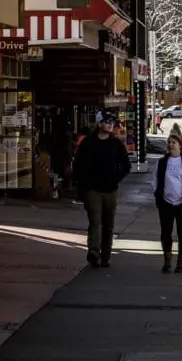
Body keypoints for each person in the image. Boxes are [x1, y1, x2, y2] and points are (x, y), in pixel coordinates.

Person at [74, 110, 132, 268]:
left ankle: (106, 256)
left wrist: (115, 178)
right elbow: (77, 166)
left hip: (111, 190)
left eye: (112, 122)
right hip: (93, 190)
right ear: (99, 124)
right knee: (95, 222)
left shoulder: (116, 144)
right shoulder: (88, 143)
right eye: (107, 121)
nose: (110, 124)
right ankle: (94, 252)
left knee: (108, 224)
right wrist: (83, 185)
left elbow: (126, 166)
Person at [152, 134, 182, 273]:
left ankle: (181, 261)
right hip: (166, 202)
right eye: (169, 142)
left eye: (174, 142)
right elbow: (155, 180)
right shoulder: (161, 162)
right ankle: (167, 260)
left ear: (181, 145)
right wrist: (157, 193)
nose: (171, 145)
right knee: (166, 232)